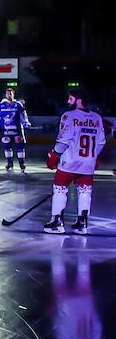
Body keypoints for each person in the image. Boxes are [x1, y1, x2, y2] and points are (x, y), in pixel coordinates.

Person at [44, 90, 106, 234]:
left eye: (70, 99)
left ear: (78, 100)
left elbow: (64, 139)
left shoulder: (69, 116)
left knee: (59, 189)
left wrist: (54, 154)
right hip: (87, 163)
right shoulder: (97, 118)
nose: (68, 102)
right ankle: (82, 223)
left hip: (69, 163)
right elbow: (101, 141)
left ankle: (57, 222)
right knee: (85, 192)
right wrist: (93, 156)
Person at [0, 88, 31, 172]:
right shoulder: (0, 106)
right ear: (5, 95)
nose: (9, 95)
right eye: (7, 93)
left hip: (17, 131)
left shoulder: (18, 105)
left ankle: (21, 164)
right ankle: (9, 163)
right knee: (7, 147)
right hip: (6, 131)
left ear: (13, 94)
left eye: (11, 93)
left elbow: (23, 116)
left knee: (20, 148)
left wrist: (26, 123)